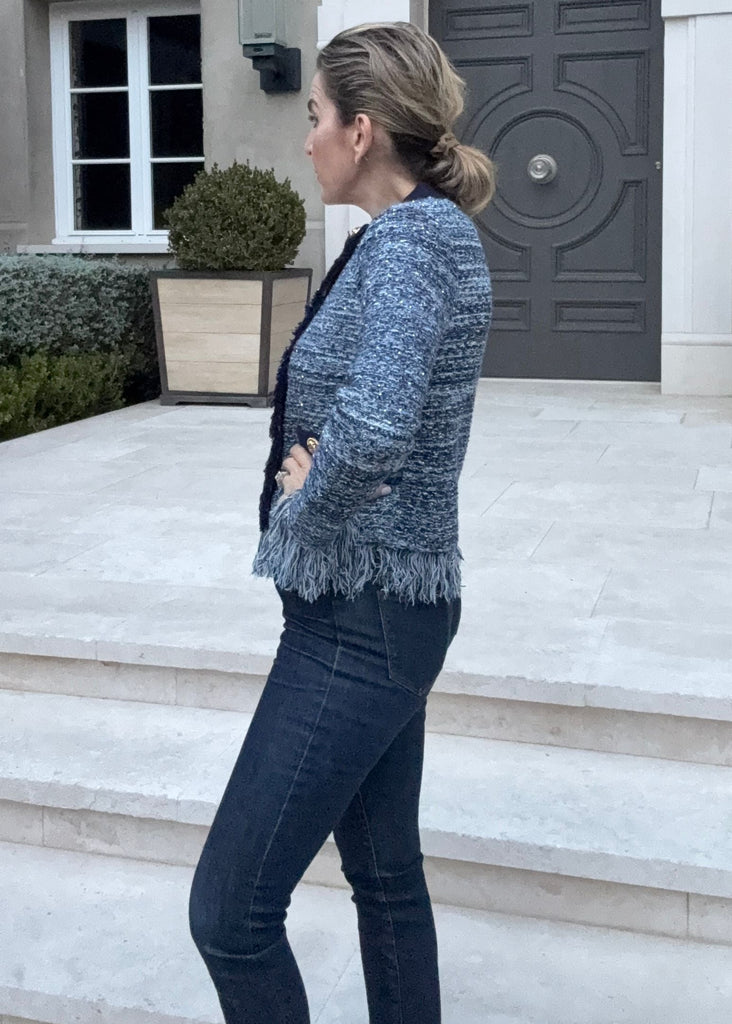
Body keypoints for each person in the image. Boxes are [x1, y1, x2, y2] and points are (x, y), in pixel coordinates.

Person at [188, 20, 495, 1024]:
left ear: (360, 131)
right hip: (385, 600)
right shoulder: (419, 234)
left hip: (362, 618)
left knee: (230, 912)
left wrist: (296, 508)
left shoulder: (414, 240)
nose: (306, 136)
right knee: (388, 881)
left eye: (314, 116)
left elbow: (373, 427)